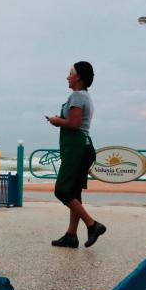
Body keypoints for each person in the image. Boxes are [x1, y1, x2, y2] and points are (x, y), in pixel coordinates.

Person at [45, 61, 107, 248]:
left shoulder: (77, 96)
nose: (67, 76)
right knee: (74, 192)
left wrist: (57, 121)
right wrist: (62, 120)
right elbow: (75, 122)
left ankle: (93, 224)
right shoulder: (85, 96)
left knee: (62, 190)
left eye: (70, 73)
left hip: (77, 148)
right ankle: (71, 235)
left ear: (78, 76)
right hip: (84, 148)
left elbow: (74, 124)